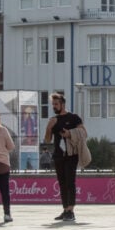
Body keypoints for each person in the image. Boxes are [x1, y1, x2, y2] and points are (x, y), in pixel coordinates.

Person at [44, 92, 84, 222]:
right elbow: (47, 140)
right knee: (62, 183)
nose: (54, 106)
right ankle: (65, 209)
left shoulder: (74, 118)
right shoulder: (53, 120)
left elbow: (84, 132)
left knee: (70, 182)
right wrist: (49, 128)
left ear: (63, 104)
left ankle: (71, 211)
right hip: (58, 155)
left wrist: (70, 133)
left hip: (71, 155)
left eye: (56, 104)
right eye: (53, 104)